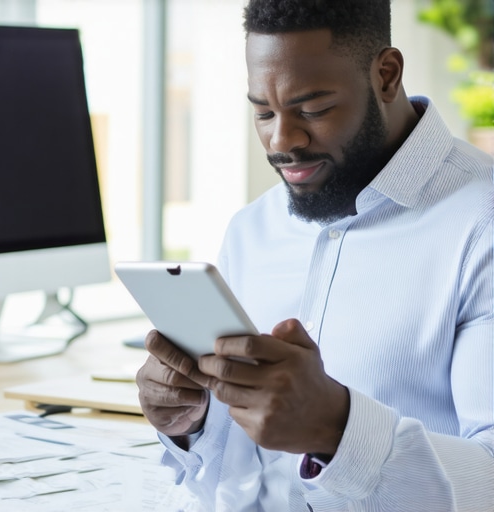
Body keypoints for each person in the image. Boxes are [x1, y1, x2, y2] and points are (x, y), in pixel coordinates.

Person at [136, 1, 494, 510]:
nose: (282, 141)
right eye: (262, 111)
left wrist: (338, 429)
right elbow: (246, 478)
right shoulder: (250, 230)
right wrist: (192, 423)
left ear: (386, 75)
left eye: (313, 109)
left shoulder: (482, 225)